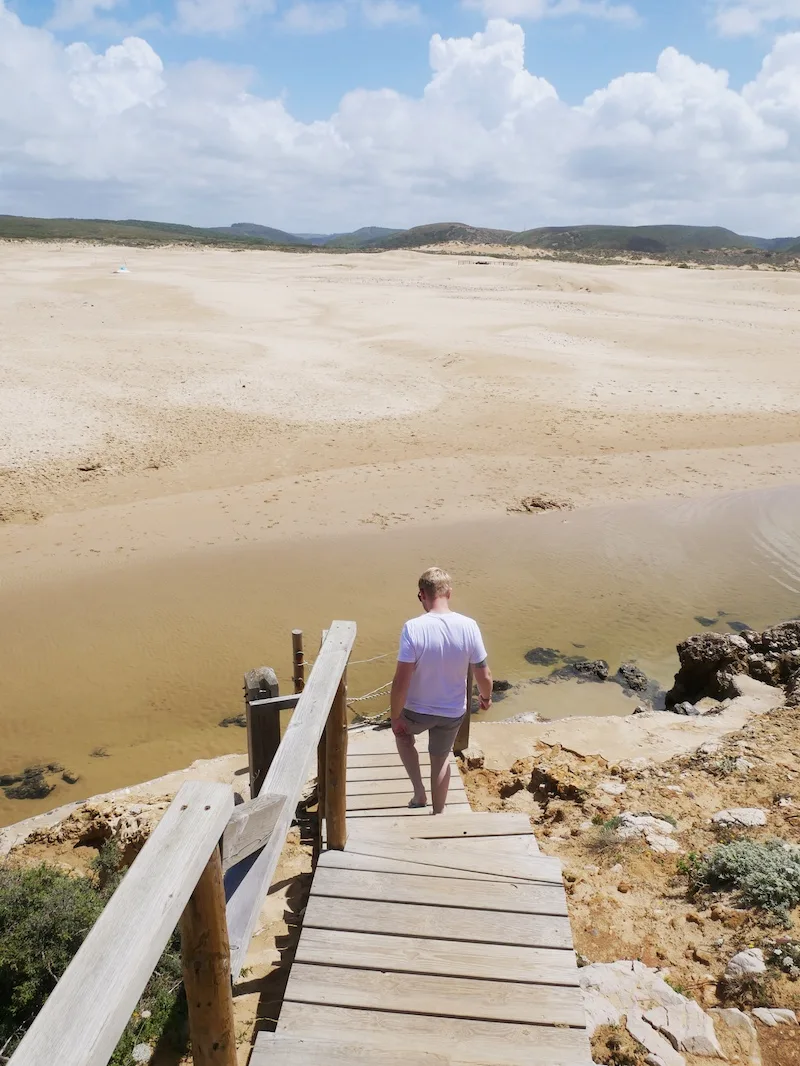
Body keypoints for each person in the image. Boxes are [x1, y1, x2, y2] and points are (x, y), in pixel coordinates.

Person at [390, 567, 492, 814]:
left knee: (403, 739)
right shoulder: (469, 626)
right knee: (440, 759)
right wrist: (486, 698)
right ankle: (438, 813)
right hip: (453, 712)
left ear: (422, 595)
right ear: (449, 593)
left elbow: (401, 681)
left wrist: (395, 717)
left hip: (416, 711)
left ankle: (419, 793)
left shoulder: (413, 628)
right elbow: (484, 674)